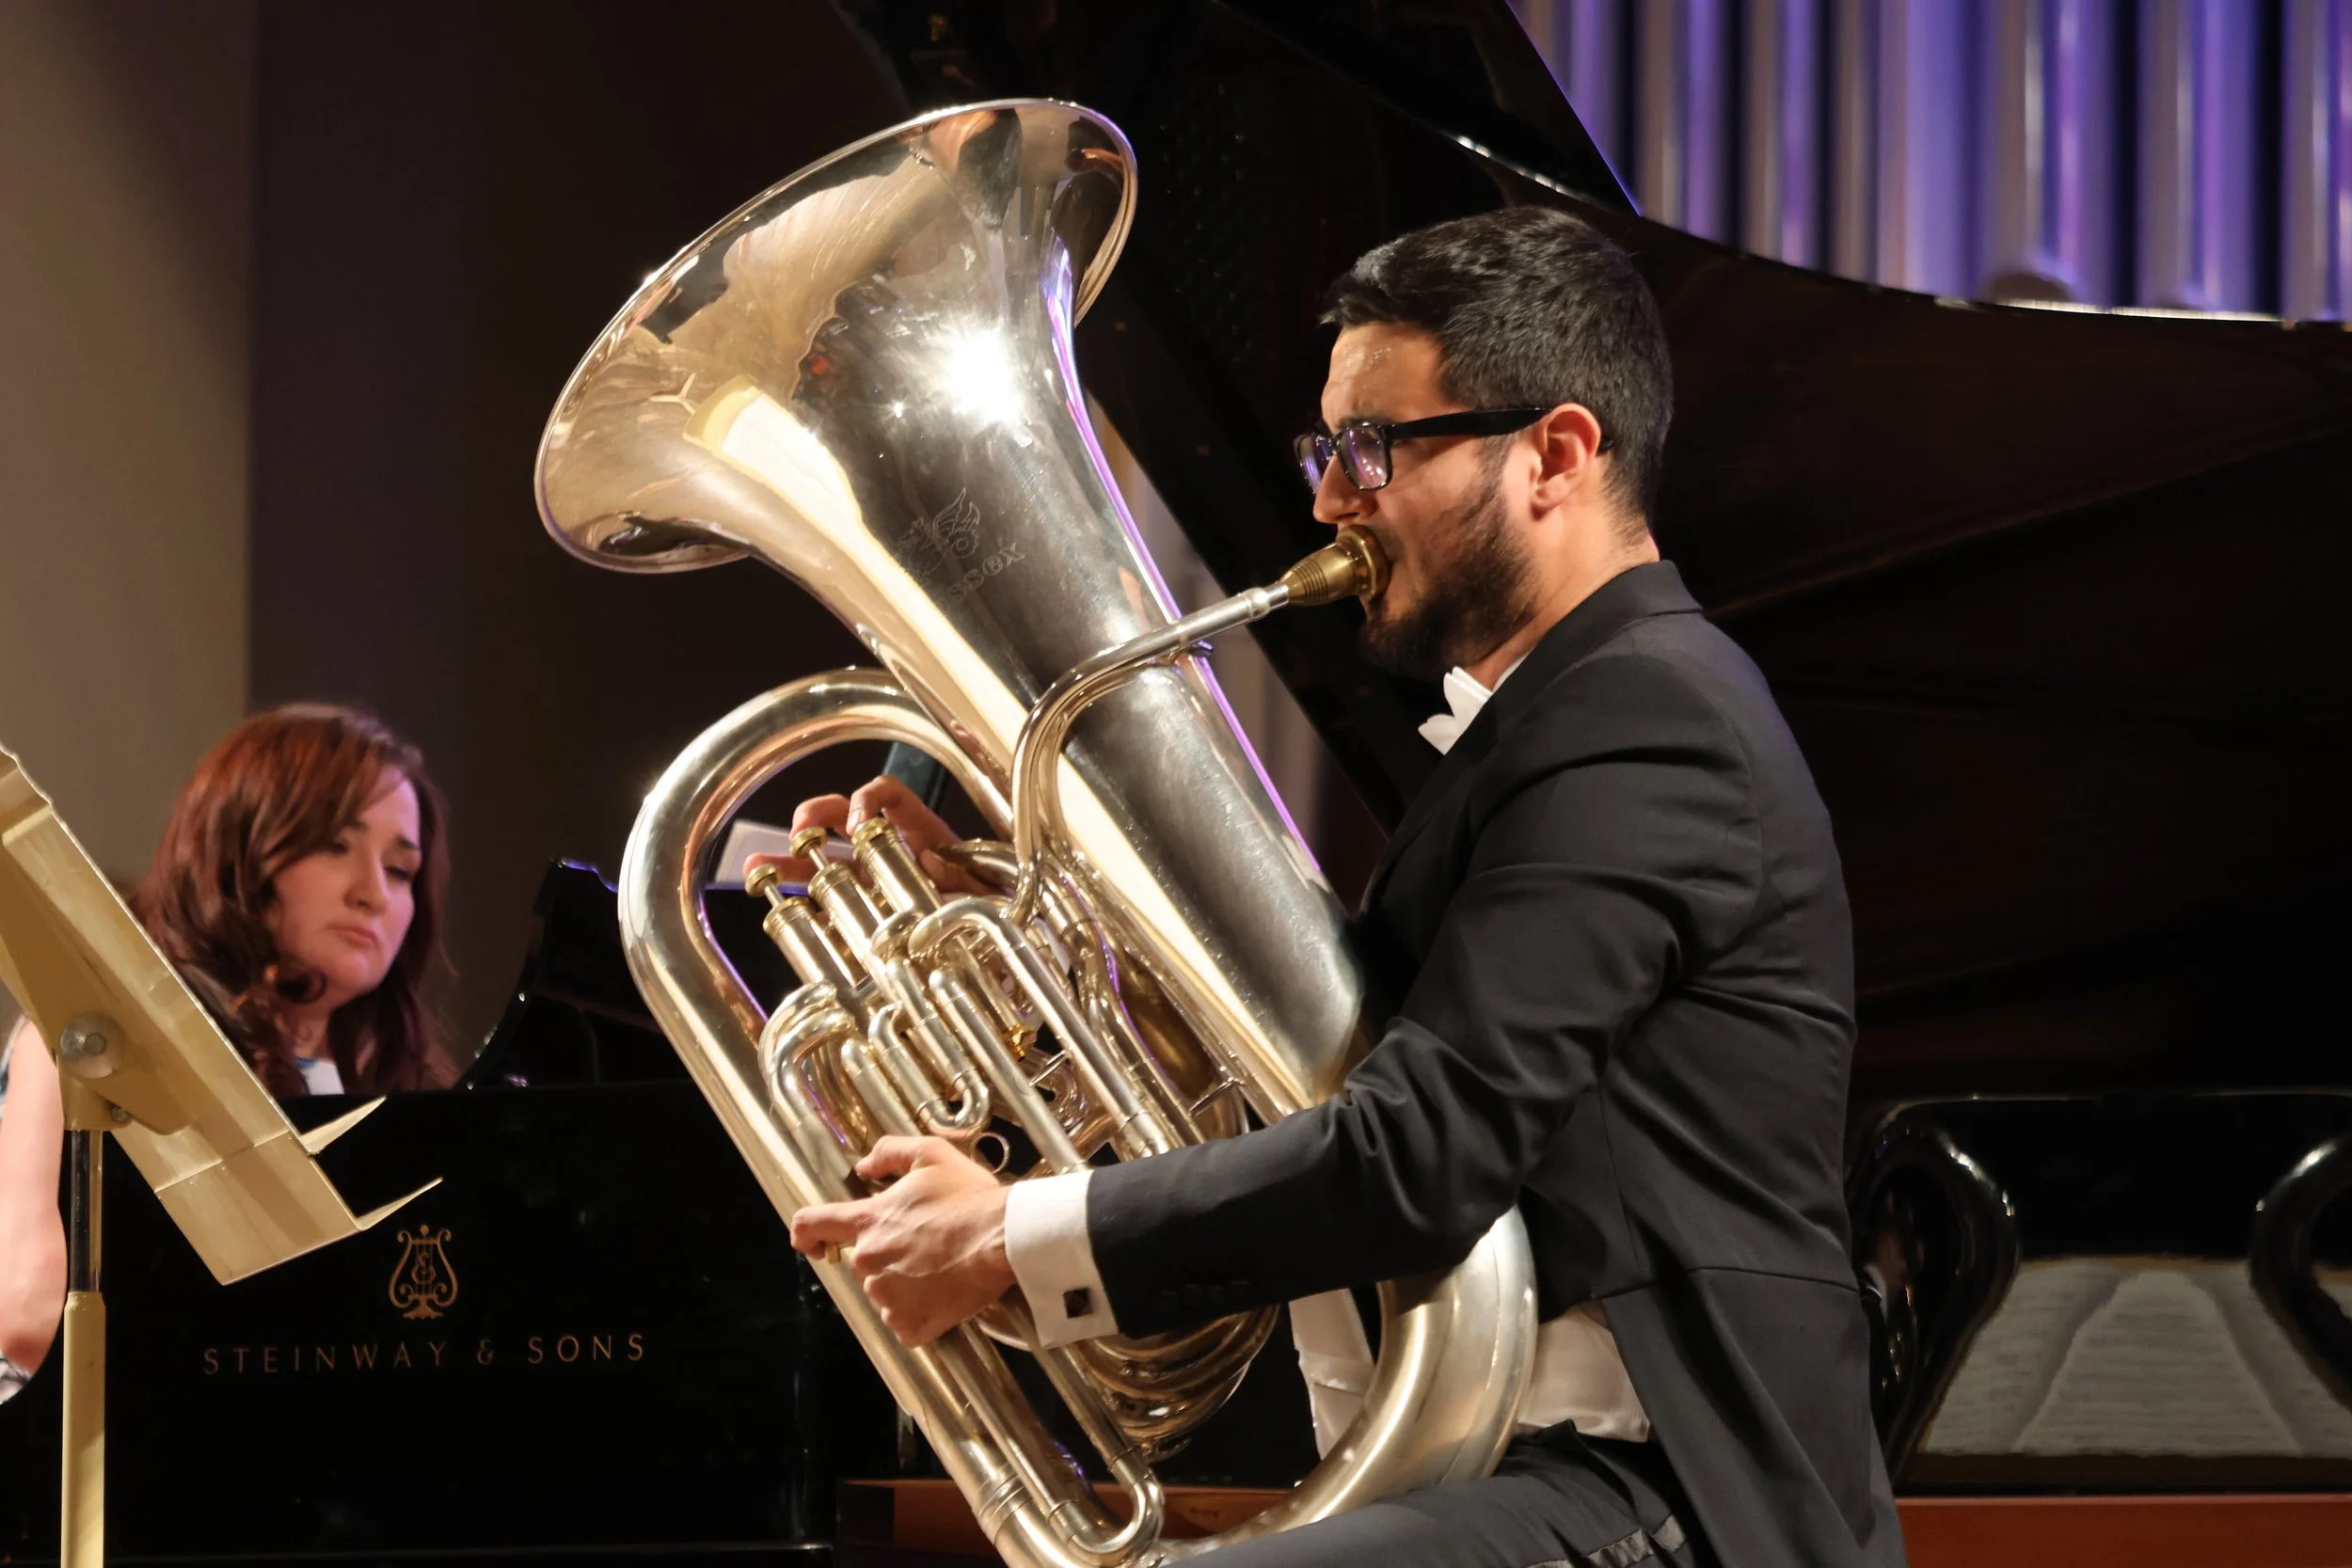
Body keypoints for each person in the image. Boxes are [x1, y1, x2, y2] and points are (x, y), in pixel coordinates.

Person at [778, 207, 1904, 1568]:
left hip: (1666, 1495)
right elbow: (1350, 1072)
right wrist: (1021, 929)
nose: (1326, 497)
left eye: (1372, 447)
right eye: (1328, 449)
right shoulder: (1561, 724)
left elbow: (1416, 1150)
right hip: (1513, 1472)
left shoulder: (1649, 719)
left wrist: (1016, 1236)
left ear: (1555, 454)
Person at [0, 705, 452, 1386]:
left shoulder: (409, 1091)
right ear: (238, 845)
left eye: (400, 868)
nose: (373, 893)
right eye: (335, 844)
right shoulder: (81, 1042)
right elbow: (25, 1311)